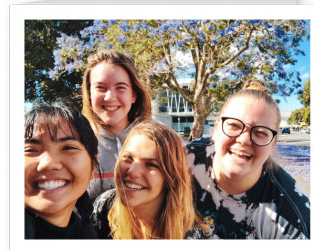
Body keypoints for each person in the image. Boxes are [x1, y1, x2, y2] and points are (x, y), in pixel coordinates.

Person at [187, 80, 310, 239]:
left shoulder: (292, 217)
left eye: (260, 132)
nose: (244, 140)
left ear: (273, 144)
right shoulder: (184, 159)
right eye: (234, 126)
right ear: (216, 129)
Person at [92, 123, 206, 239]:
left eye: (151, 164)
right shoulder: (103, 207)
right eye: (128, 158)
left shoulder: (190, 236)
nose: (133, 172)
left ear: (171, 177)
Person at [82, 49, 152, 200]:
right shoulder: (76, 142)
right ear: (89, 94)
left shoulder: (157, 139)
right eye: (100, 87)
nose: (110, 97)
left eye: (120, 87)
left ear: (133, 95)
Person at [24, 102, 99, 239]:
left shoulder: (88, 235)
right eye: (30, 150)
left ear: (93, 166)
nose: (48, 164)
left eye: (68, 148)